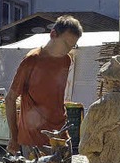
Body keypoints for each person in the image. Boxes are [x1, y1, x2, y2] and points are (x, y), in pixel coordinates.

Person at [5, 15, 82, 154]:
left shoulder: (66, 60)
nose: (68, 50)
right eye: (66, 44)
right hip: (33, 139)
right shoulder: (31, 60)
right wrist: (13, 137)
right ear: (53, 34)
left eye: (72, 46)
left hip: (60, 135)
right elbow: (10, 99)